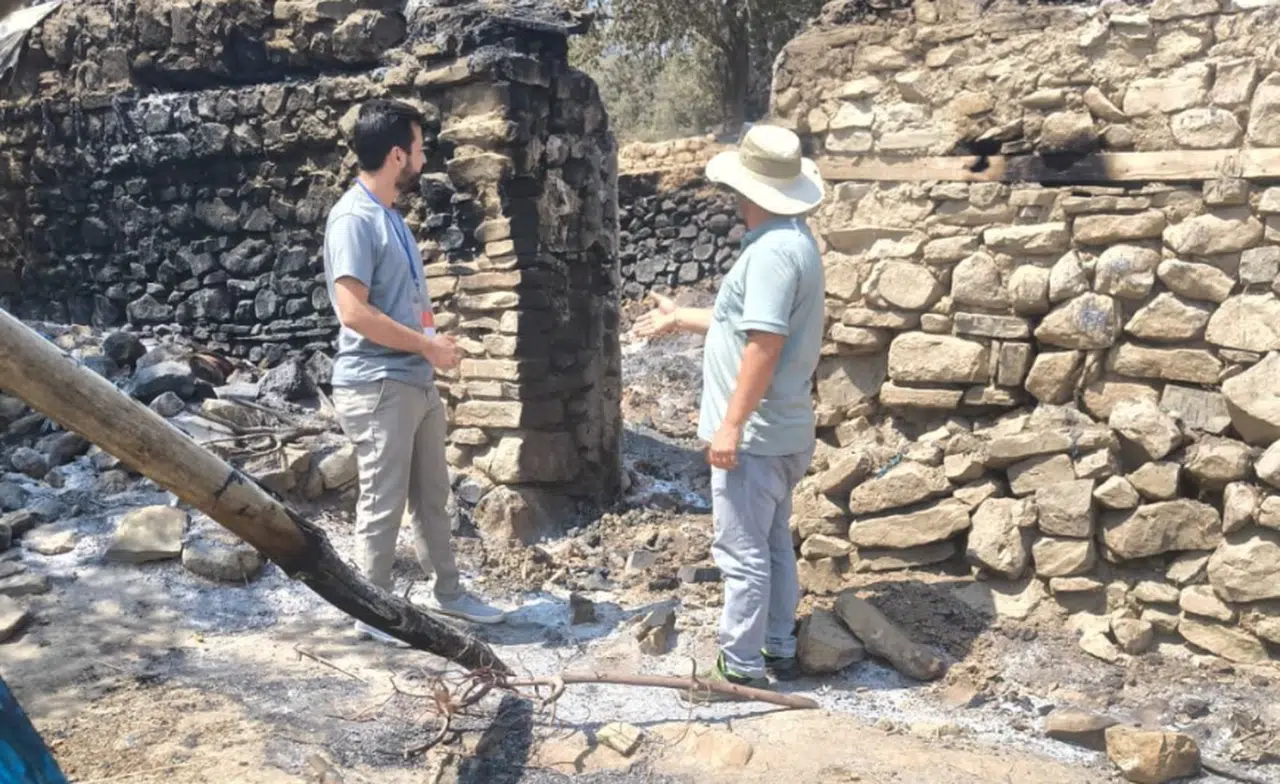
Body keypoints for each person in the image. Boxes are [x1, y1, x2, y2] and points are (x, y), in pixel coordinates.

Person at [635, 124, 826, 695]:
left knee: (741, 552)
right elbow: (740, 322)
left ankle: (739, 665)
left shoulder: (771, 255)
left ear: (749, 192)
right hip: (785, 431)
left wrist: (730, 425)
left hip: (757, 438)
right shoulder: (793, 241)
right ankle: (778, 645)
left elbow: (763, 344)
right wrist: (679, 317)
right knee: (771, 545)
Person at [322, 98, 506, 643]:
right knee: (383, 500)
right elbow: (352, 312)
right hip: (378, 384)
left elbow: (398, 305)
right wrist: (425, 349)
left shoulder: (390, 218)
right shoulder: (353, 219)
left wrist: (430, 342)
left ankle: (447, 593)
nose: (426, 157)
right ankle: (369, 609)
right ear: (398, 155)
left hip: (411, 380)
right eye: (420, 148)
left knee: (432, 495)